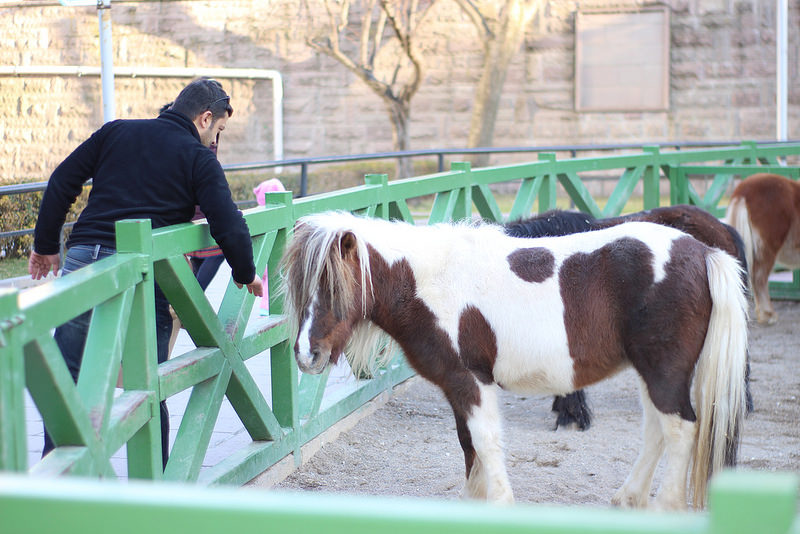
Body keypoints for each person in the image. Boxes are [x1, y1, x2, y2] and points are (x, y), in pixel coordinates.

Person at [28, 78, 263, 468]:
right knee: (148, 381)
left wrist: (46, 244)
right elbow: (227, 222)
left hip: (85, 260)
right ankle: (154, 481)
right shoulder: (197, 157)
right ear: (206, 118)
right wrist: (245, 271)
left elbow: (63, 180)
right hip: (146, 271)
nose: (215, 142)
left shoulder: (116, 131)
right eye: (218, 131)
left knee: (67, 374)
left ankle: (56, 474)